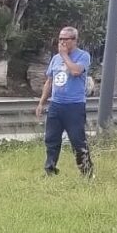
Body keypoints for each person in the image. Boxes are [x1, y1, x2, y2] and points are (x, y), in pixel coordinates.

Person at [35, 26, 94, 178]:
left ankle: (86, 172)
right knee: (51, 139)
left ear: (74, 40)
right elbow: (49, 81)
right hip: (56, 104)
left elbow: (75, 71)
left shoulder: (83, 56)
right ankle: (50, 170)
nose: (62, 42)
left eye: (65, 39)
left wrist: (65, 55)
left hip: (74, 106)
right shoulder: (55, 59)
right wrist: (41, 102)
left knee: (77, 140)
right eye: (60, 39)